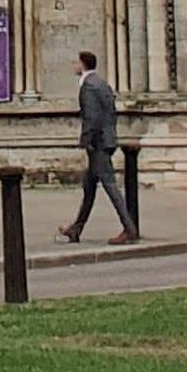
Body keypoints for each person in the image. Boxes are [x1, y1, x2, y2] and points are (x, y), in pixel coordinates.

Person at [58, 50, 135, 246]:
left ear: (82, 64)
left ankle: (129, 229)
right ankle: (76, 229)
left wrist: (85, 140)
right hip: (105, 140)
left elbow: (91, 117)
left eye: (76, 62)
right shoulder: (101, 83)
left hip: (98, 144)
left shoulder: (89, 87)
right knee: (89, 187)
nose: (73, 65)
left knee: (110, 187)